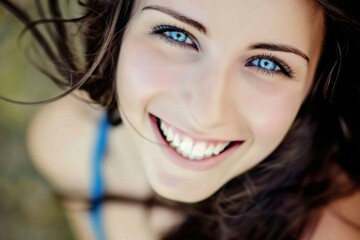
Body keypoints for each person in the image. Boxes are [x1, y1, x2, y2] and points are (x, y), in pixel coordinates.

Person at [1, 0, 360, 239]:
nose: (207, 113)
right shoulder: (66, 142)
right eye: (176, 34)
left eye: (267, 63)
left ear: (316, 86)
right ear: (117, 31)